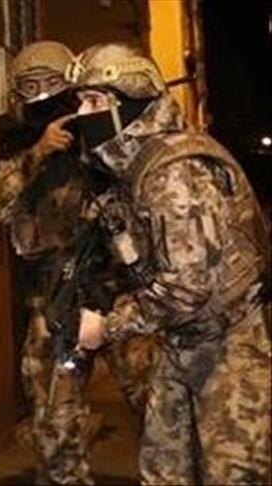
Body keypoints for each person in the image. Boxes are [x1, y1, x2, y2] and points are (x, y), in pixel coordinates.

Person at [72, 43, 272, 485]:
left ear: (132, 104)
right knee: (164, 472)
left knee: (232, 475)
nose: (83, 114)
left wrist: (106, 326)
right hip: (179, 341)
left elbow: (187, 288)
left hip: (228, 347)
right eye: (81, 102)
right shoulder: (133, 168)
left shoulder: (175, 172)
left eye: (94, 101)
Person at [0, 41, 154, 485]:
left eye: (54, 91)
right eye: (32, 90)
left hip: (117, 293)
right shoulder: (22, 151)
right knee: (54, 419)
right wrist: (38, 154)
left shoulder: (106, 135)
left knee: (157, 404)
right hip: (54, 300)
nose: (45, 101)